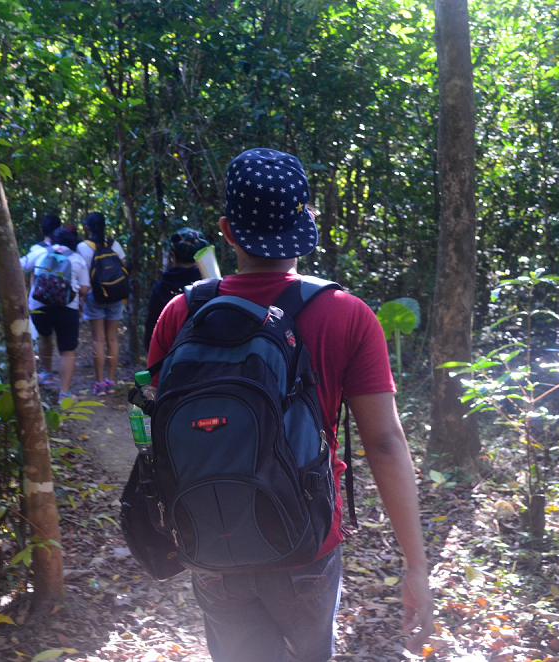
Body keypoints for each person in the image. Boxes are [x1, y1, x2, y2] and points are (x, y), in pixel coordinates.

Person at [147, 148, 434, 661]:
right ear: (307, 223)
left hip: (211, 538)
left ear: (227, 230)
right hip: (306, 544)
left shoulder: (180, 313)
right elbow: (385, 444)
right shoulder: (346, 315)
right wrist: (415, 564)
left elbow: (163, 431)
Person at [20, 219, 89, 401]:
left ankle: (47, 373)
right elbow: (84, 289)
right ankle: (64, 394)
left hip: (40, 305)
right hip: (67, 308)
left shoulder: (40, 253)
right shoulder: (77, 259)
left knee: (45, 337)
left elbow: (19, 266)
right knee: (67, 350)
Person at [78, 212, 126, 396]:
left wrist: (81, 299)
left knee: (98, 339)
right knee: (112, 339)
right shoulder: (115, 245)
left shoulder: (82, 247)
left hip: (94, 296)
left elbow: (82, 275)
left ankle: (99, 384)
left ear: (88, 228)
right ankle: (111, 381)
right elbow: (122, 268)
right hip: (114, 296)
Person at [143, 227, 209, 352]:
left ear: (173, 256)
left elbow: (150, 337)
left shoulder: (161, 289)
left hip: (168, 362)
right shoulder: (212, 286)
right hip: (204, 361)